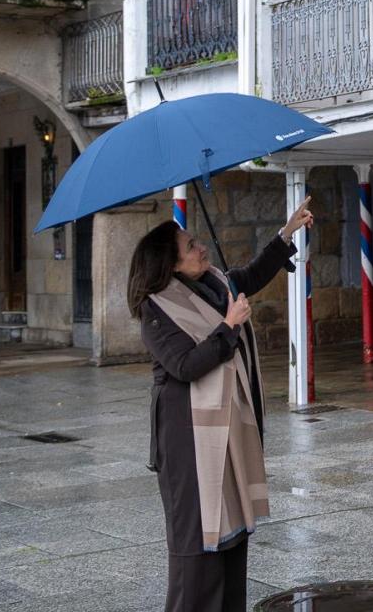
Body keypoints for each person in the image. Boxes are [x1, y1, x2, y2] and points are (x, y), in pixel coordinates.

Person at [128, 196, 313, 612]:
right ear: (171, 264)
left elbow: (249, 275)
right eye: (191, 246)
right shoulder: (155, 310)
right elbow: (184, 365)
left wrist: (286, 234)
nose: (201, 248)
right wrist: (229, 328)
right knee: (197, 547)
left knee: (233, 535)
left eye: (196, 242)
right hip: (186, 441)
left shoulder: (213, 283)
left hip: (227, 431)